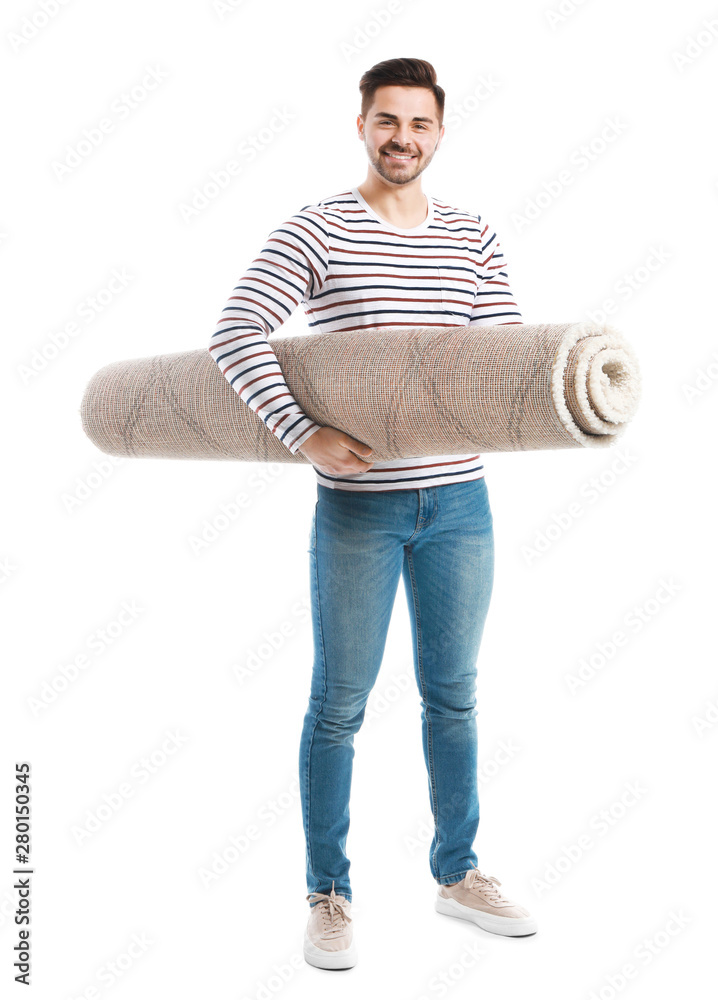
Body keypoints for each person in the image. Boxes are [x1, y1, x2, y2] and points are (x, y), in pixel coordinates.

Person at [208, 56, 537, 970]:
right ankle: (329, 893)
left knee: (455, 697)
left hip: (462, 506)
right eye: (387, 122)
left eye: (420, 124)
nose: (403, 139)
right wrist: (302, 431)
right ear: (361, 124)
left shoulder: (472, 234)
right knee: (340, 706)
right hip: (359, 509)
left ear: (440, 131)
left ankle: (459, 875)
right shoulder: (317, 229)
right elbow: (237, 333)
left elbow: (503, 359)